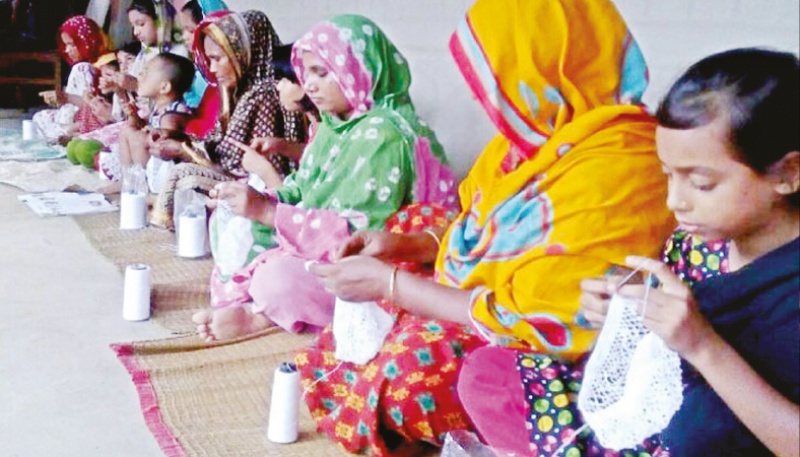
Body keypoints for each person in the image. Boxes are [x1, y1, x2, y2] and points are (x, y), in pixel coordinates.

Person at [301, 0, 676, 454]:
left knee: (410, 384)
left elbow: (531, 320)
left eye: (496, 81)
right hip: (478, 292)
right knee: (411, 221)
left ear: (543, 69)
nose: (486, 100)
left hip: (531, 342)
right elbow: (472, 226)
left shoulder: (622, 168)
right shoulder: (529, 141)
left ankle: (409, 377)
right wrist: (406, 244)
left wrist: (392, 283)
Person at [579, 48, 799, 457]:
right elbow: (664, 359)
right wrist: (626, 317)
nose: (675, 202)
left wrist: (702, 346)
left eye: (700, 183)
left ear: (788, 173)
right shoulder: (695, 244)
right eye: (668, 176)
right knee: (494, 375)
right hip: (665, 428)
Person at [191, 14, 460, 343]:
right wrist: (256, 201)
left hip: (389, 261)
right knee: (233, 224)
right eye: (308, 73)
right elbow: (303, 187)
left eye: (322, 72)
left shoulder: (384, 135)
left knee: (276, 278)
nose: (310, 84)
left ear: (360, 70)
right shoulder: (334, 125)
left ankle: (261, 316)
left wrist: (270, 213)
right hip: (320, 236)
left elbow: (355, 236)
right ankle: (264, 306)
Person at [147, 10, 307, 229]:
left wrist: (184, 151)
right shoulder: (240, 90)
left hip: (261, 189)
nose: (212, 69)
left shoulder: (264, 95)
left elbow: (235, 164)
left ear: (242, 53)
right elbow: (217, 141)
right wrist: (177, 137)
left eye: (217, 59)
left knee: (185, 177)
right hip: (242, 179)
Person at [116, 53, 194, 193]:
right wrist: (133, 116)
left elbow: (164, 145)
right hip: (150, 161)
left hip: (163, 172)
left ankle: (142, 186)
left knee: (139, 138)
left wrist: (146, 133)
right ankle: (127, 179)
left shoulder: (174, 113)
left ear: (164, 88)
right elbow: (143, 128)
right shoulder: (158, 107)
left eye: (146, 73)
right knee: (126, 130)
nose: (140, 76)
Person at [32, 15, 108, 143]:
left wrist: (65, 97)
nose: (67, 50)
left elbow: (89, 104)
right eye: (65, 45)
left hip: (83, 119)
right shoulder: (87, 65)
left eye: (72, 45)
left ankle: (72, 135)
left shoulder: (82, 68)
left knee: (45, 122)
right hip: (76, 116)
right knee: (41, 116)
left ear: (85, 42)